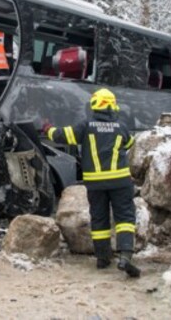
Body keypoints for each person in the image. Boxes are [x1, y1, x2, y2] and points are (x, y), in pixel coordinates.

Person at [42, 88, 140, 277]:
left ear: (94, 106)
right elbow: (129, 144)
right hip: (120, 181)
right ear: (112, 106)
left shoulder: (86, 126)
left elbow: (63, 136)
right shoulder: (121, 127)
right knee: (125, 218)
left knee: (99, 218)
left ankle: (103, 258)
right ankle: (125, 255)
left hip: (95, 184)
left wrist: (48, 129)